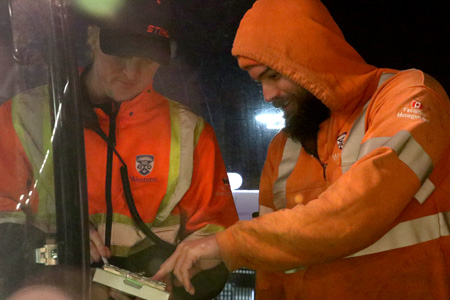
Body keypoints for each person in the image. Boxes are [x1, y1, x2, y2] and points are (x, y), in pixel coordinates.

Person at [153, 0, 450, 299]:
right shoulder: (283, 147)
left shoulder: (409, 97)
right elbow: (271, 267)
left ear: (311, 59)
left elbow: (358, 210)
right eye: (259, 83)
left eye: (273, 75)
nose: (267, 95)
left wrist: (226, 244)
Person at [0, 0, 238, 299]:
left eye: (148, 59)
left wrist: (169, 289)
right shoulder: (21, 117)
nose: (132, 72)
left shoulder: (192, 133)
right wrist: (58, 247)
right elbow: (4, 233)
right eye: (122, 54)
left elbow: (217, 248)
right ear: (93, 37)